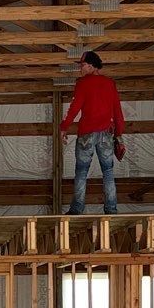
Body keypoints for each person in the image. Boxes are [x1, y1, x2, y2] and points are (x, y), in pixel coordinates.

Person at [57, 49, 125, 214]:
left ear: (92, 65)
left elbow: (75, 108)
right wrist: (119, 134)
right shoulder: (110, 84)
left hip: (86, 133)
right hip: (106, 134)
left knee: (81, 171)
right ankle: (111, 209)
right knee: (108, 172)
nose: (80, 68)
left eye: (83, 65)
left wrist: (63, 127)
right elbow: (117, 110)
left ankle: (77, 209)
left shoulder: (82, 83)